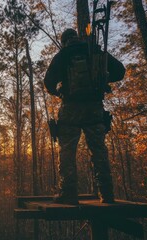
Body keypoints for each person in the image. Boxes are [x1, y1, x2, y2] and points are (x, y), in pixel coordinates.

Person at [44, 28, 125, 204]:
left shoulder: (63, 54)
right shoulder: (94, 50)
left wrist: (58, 92)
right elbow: (120, 71)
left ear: (64, 41)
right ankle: (107, 194)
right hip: (94, 110)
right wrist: (101, 78)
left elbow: (48, 82)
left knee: (67, 152)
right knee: (99, 151)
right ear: (77, 37)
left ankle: (68, 194)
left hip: (70, 110)